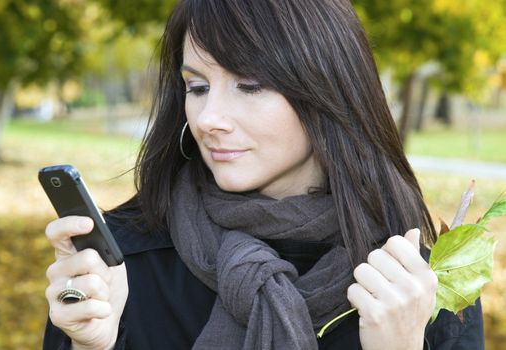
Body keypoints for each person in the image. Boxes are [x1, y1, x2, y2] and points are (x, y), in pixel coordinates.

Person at [42, 1, 484, 349]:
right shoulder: (121, 262)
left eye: (250, 85)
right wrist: (93, 347)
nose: (208, 117)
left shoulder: (417, 286)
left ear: (327, 90)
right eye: (196, 87)